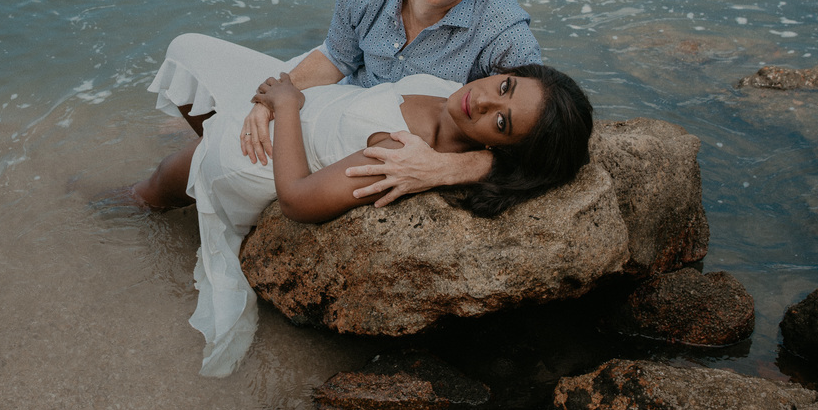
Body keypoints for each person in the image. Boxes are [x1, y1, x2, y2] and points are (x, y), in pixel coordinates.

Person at [132, 34, 593, 377]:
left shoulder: (400, 154)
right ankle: (196, 155)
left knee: (159, 184)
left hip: (269, 154)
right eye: (506, 86)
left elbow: (297, 200)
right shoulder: (451, 92)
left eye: (501, 122)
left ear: (501, 148)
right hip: (308, 105)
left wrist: (286, 106)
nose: (485, 99)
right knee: (186, 51)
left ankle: (129, 207)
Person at [232, 0, 543, 204]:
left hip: (393, 141)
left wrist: (445, 169)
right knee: (236, 128)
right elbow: (338, 57)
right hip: (344, 108)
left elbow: (542, 140)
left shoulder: (505, 34)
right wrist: (270, 101)